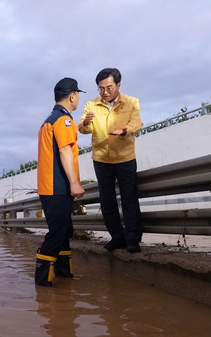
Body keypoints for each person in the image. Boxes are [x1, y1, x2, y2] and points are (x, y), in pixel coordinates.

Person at [78, 68, 144, 253]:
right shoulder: (91, 105)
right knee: (107, 201)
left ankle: (133, 239)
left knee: (129, 198)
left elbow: (137, 123)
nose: (105, 92)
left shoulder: (131, 102)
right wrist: (85, 123)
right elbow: (83, 129)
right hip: (101, 159)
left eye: (108, 88)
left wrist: (125, 130)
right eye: (100, 89)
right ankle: (117, 237)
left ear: (118, 85)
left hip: (125, 157)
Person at [35, 77, 86, 286]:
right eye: (78, 95)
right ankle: (42, 282)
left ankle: (64, 275)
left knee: (65, 231)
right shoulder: (64, 120)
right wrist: (74, 183)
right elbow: (65, 151)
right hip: (57, 187)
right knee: (58, 232)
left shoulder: (50, 119)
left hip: (51, 187)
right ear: (73, 95)